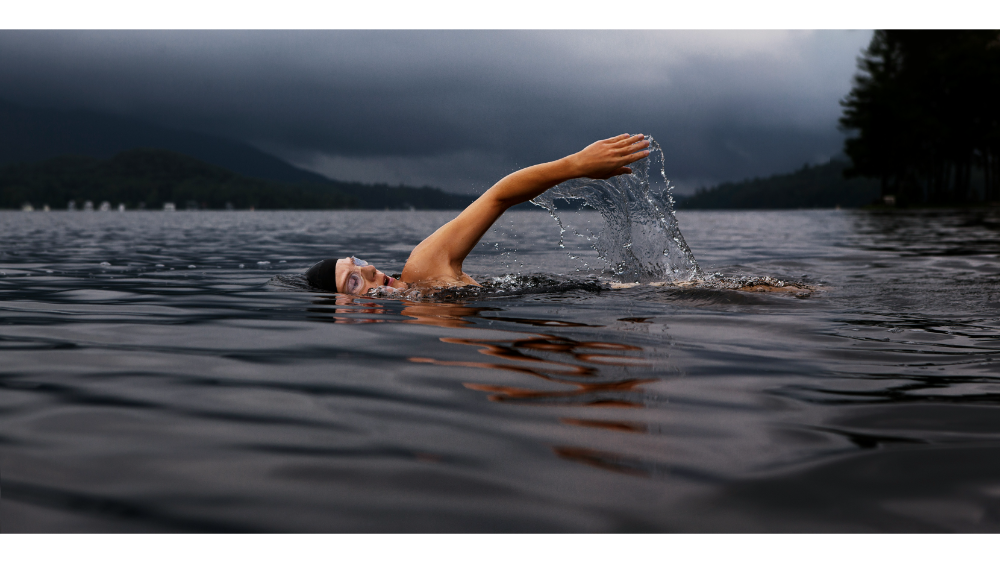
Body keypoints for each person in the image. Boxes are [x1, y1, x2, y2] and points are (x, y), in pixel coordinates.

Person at [306, 134, 651, 295]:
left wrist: (575, 165)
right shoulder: (419, 329)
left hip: (625, 294)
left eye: (358, 262)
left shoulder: (423, 269)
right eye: (353, 281)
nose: (368, 268)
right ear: (344, 314)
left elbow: (498, 197)